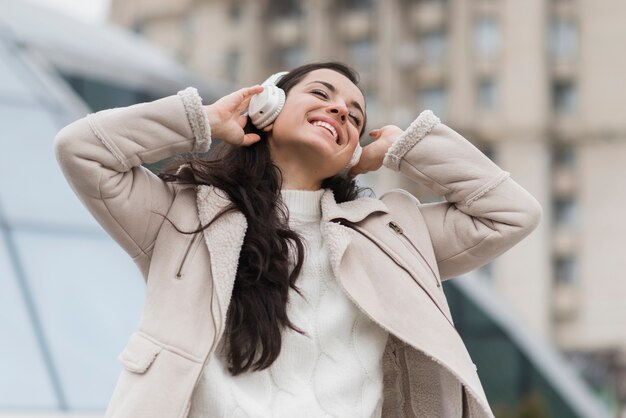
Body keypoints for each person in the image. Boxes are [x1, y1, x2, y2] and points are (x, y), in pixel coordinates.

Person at [54, 62, 542, 418]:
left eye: (355, 115)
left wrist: (409, 149)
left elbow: (511, 214)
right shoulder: (178, 213)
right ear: (268, 107)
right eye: (322, 93)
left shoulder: (394, 231)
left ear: (354, 153)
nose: (341, 112)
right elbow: (81, 149)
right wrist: (201, 121)